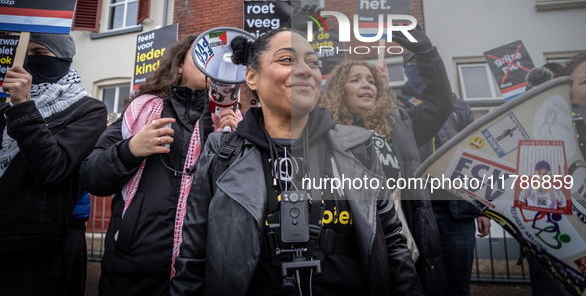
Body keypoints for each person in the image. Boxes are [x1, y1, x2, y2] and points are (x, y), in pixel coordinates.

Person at [172, 28, 424, 296]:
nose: (306, 70)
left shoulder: (359, 145)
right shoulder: (221, 151)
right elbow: (193, 257)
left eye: (313, 62)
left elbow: (394, 245)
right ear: (252, 77)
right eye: (287, 60)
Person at [80, 34, 239, 296]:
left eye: (220, 61)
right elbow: (91, 175)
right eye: (203, 56)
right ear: (178, 65)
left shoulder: (234, 121)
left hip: (203, 269)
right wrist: (130, 150)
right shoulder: (141, 111)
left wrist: (226, 147)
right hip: (134, 270)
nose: (212, 65)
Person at [320, 30, 453, 295]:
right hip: (353, 246)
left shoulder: (401, 124)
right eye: (355, 79)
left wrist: (427, 54)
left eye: (371, 80)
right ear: (338, 90)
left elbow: (440, 105)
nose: (366, 84)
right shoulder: (323, 130)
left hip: (404, 241)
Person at [0, 33, 108, 296]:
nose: (28, 61)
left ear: (62, 57)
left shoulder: (88, 109)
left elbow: (52, 167)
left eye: (38, 54)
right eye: (26, 54)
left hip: (38, 244)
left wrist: (24, 105)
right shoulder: (5, 106)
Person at [396, 50, 490, 296]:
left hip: (457, 212)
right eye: (411, 62)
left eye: (421, 62)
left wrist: (482, 208)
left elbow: (475, 155)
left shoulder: (458, 106)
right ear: (405, 68)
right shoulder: (396, 104)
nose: (417, 67)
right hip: (417, 212)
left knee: (458, 287)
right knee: (422, 285)